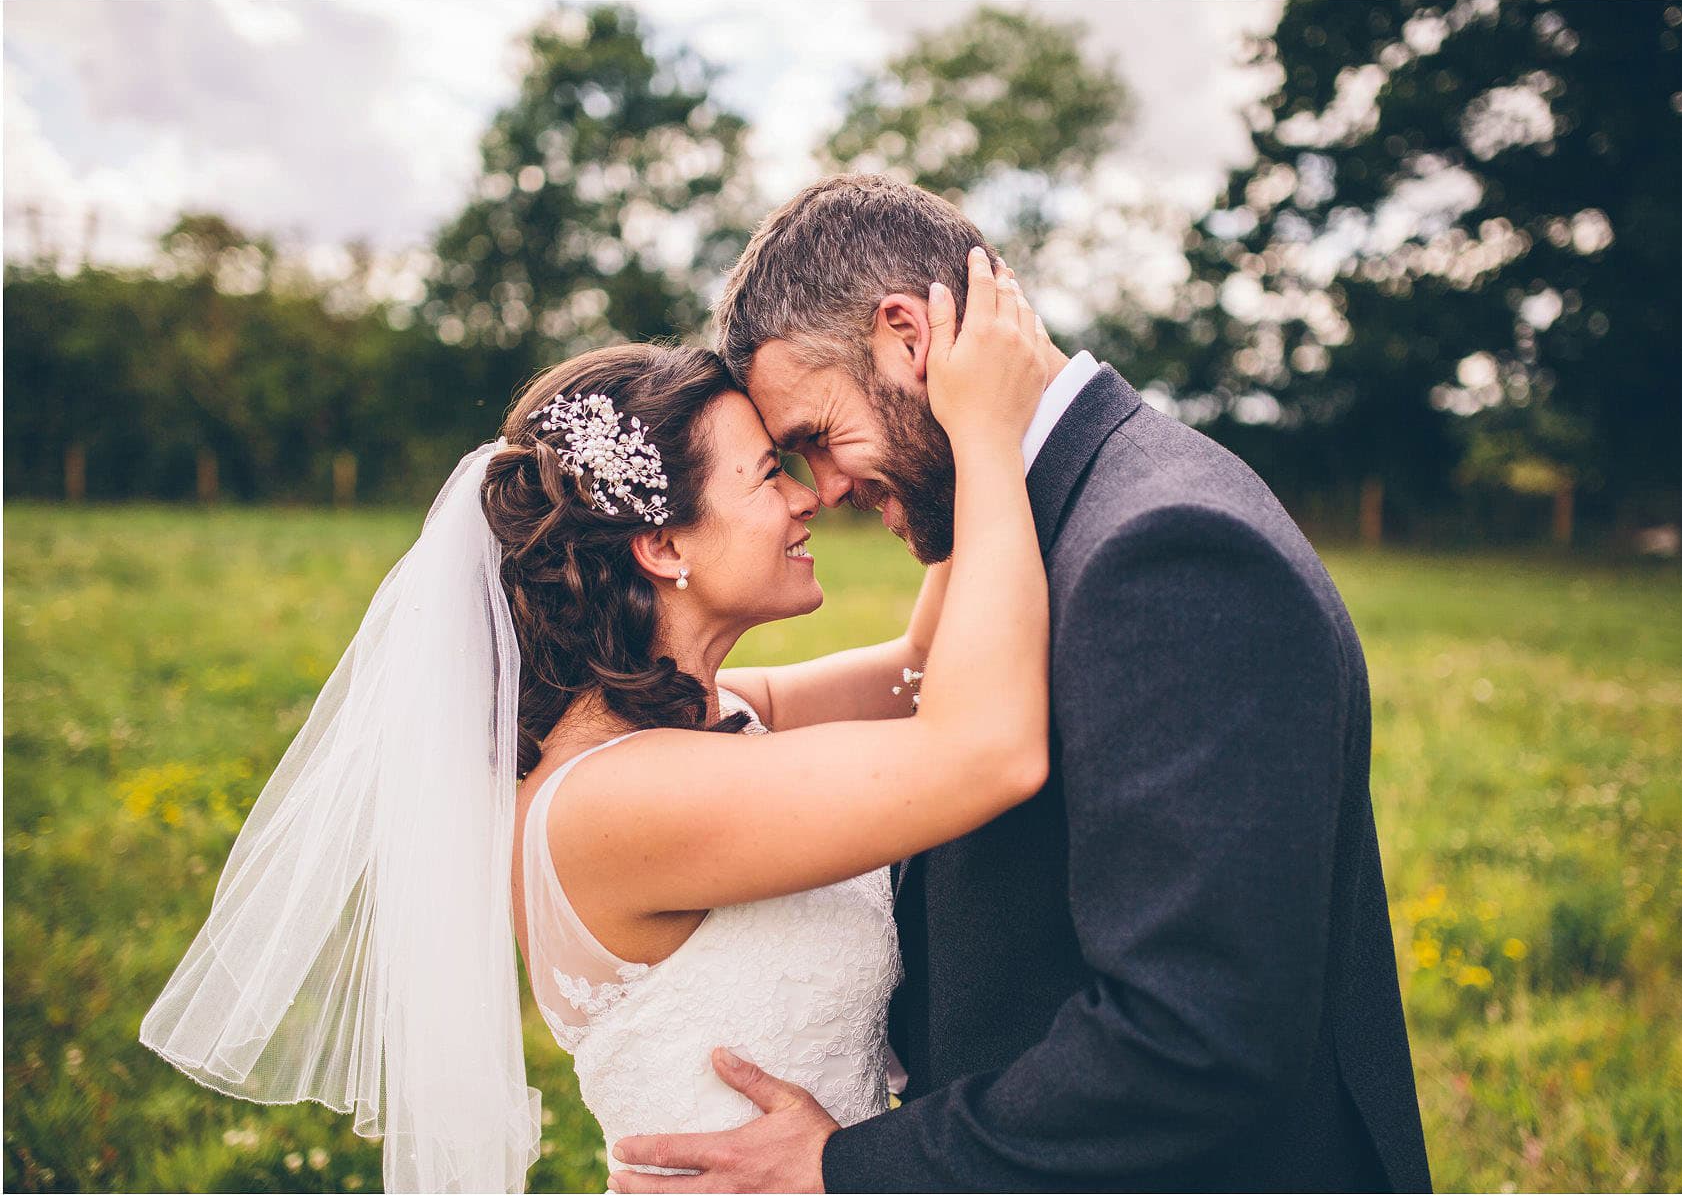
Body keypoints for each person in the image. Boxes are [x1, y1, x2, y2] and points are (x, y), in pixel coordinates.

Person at [139, 254, 1054, 1192]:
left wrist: (936, 428)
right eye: (764, 477)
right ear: (661, 547)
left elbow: (915, 673)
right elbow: (984, 750)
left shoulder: (709, 717)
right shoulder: (621, 798)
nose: (808, 494)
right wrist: (988, 437)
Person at [607, 172, 1433, 1192]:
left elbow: (1196, 1037)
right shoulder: (1045, 527)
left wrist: (851, 1167)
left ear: (910, 338)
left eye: (817, 438)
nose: (822, 491)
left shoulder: (1167, 549)